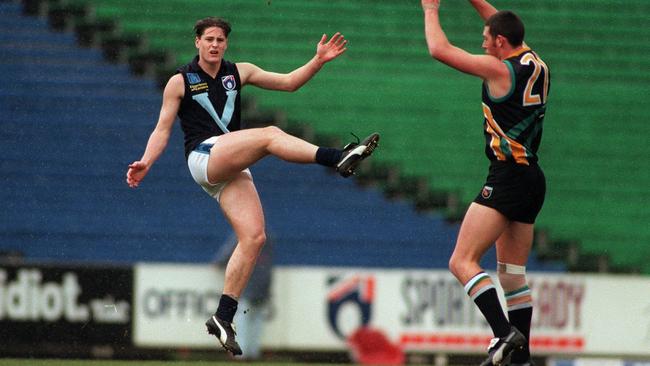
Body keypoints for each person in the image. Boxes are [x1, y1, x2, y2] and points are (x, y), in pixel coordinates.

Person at [126, 17, 379, 356]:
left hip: (230, 162)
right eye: (209, 39)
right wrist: (146, 160)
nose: (215, 45)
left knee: (254, 237)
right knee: (270, 135)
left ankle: (222, 316)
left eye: (220, 39)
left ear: (226, 44)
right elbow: (162, 130)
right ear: (197, 43)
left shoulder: (239, 72)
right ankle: (338, 158)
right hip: (204, 157)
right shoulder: (180, 81)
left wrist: (317, 61)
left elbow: (289, 83)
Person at [421, 1, 550, 366]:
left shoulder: (499, 71)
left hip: (506, 176)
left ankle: (503, 332)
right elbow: (501, 24)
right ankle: (522, 359)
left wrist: (431, 9)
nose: (482, 43)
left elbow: (439, 50)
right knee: (511, 276)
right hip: (532, 179)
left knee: (462, 260)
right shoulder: (535, 62)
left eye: (485, 39)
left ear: (500, 43)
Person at [215, 231, 274, 361]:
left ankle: (241, 353)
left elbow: (227, 254)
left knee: (243, 318)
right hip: (263, 284)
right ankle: (252, 351)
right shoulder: (267, 238)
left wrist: (218, 262)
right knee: (256, 319)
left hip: (247, 283)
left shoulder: (245, 234)